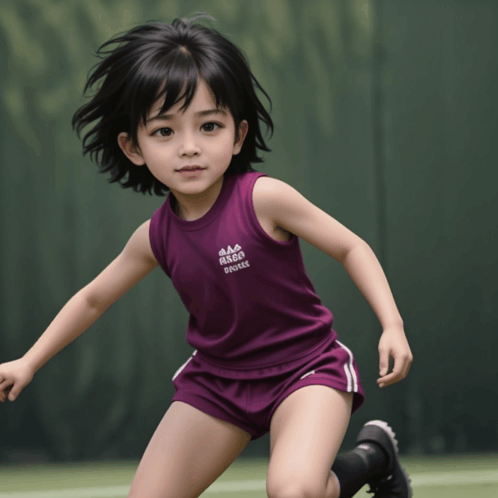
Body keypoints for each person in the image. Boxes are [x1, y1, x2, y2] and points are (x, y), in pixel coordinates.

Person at [0, 12, 413, 498]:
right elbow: (92, 299)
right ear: (134, 147)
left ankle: (369, 459)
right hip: (217, 383)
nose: (189, 148)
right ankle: (374, 456)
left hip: (307, 370)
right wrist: (28, 361)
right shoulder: (154, 237)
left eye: (209, 126)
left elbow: (350, 246)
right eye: (164, 132)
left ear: (237, 135)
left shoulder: (265, 199)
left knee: (294, 490)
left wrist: (392, 324)